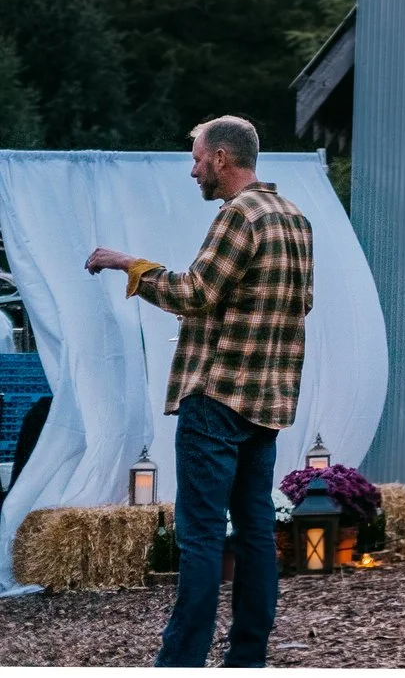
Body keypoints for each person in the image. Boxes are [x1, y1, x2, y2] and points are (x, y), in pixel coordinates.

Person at [84, 116, 312, 667]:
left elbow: (194, 292)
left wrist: (127, 264)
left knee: (202, 535)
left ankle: (180, 663)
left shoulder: (240, 216)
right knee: (257, 532)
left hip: (216, 399)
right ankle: (246, 660)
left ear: (221, 159)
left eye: (196, 158)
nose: (192, 170)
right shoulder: (295, 219)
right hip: (267, 403)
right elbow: (300, 305)